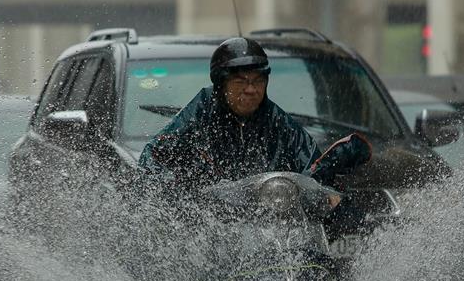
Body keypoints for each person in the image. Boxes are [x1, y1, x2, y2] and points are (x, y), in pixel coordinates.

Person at [138, 36, 370, 193]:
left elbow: (311, 172)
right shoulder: (198, 114)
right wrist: (178, 194)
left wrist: (326, 193)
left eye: (259, 80)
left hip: (272, 233)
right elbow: (153, 158)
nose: (251, 89)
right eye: (241, 81)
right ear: (220, 84)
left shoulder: (280, 124)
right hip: (207, 229)